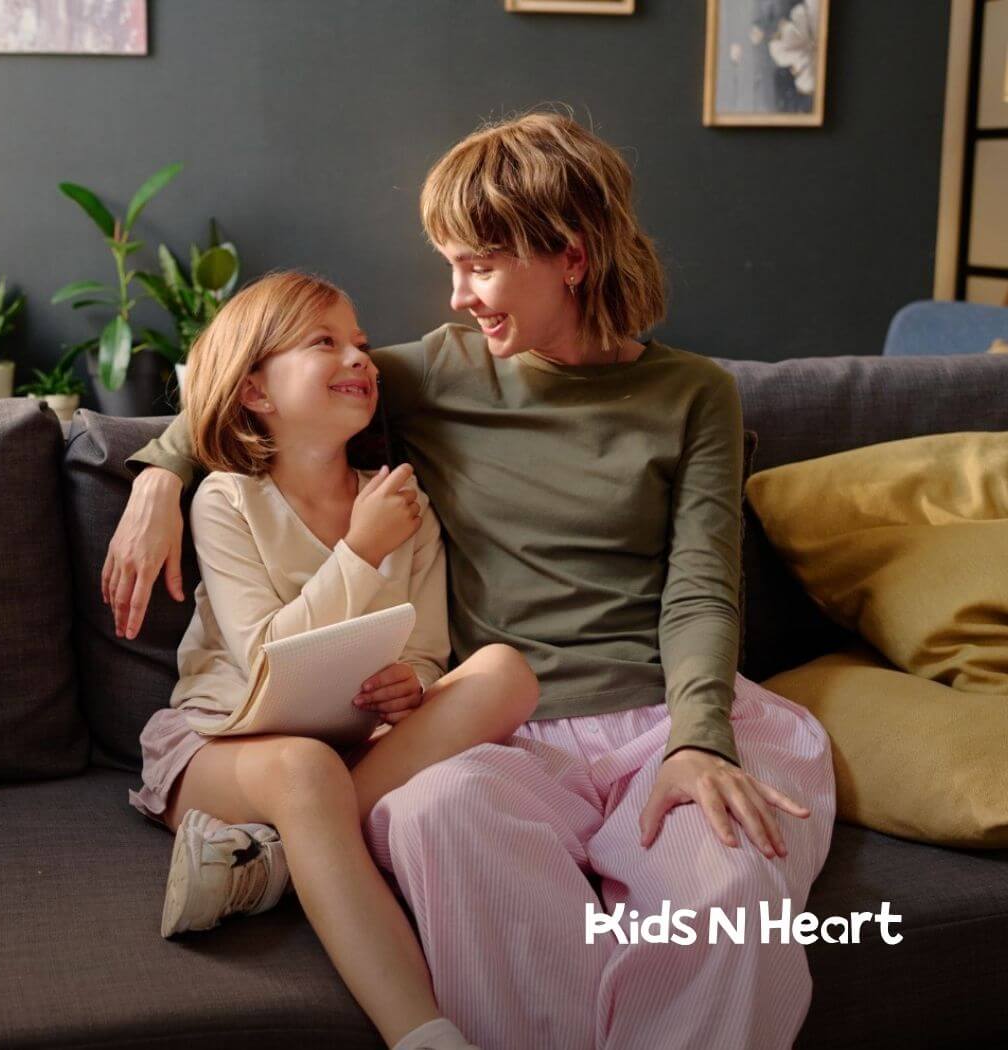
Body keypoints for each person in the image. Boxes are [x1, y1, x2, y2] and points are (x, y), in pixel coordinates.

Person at [107, 112, 836, 1050]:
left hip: (662, 712)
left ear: (571, 256)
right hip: (499, 734)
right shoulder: (436, 374)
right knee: (439, 820)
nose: (456, 297)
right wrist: (161, 474)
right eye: (450, 265)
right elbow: (261, 384)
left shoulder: (695, 394)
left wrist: (699, 740)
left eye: (479, 266)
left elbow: (701, 586)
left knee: (729, 894)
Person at [127, 270, 539, 1050]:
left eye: (360, 341)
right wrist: (359, 550)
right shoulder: (227, 499)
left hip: (357, 744)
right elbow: (265, 661)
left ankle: (282, 859)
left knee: (504, 672)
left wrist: (411, 684)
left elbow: (425, 648)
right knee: (306, 768)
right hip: (226, 745)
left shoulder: (401, 504)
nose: (360, 358)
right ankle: (422, 1034)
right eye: (325, 342)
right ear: (256, 390)